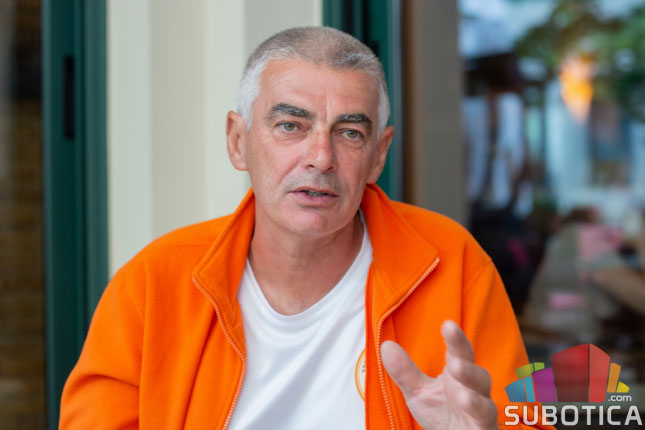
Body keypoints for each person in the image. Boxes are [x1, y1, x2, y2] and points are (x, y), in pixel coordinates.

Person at [60, 27, 551, 429]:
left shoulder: (453, 262)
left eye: (350, 132)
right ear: (238, 141)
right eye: (290, 126)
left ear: (378, 156)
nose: (320, 157)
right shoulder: (153, 284)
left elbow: (528, 418)